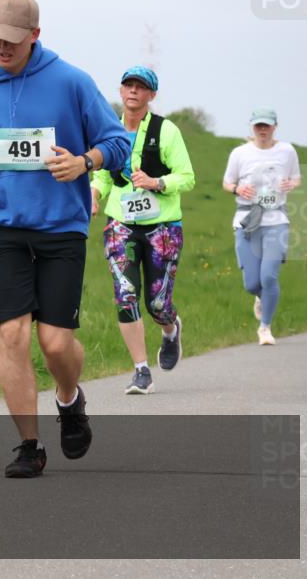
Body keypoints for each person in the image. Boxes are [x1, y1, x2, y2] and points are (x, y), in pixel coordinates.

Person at [0, 0, 131, 478]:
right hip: (1, 226)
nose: (2, 48)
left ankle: (69, 400)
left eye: (12, 40)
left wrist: (84, 161)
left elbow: (117, 143)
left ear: (35, 35)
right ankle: (29, 444)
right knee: (11, 334)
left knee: (54, 343)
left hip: (60, 228)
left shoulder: (71, 82)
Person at [90, 67, 195, 395]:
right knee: (125, 295)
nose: (133, 91)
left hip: (162, 227)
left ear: (152, 95)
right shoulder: (109, 130)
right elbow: (104, 176)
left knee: (158, 303)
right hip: (120, 225)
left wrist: (157, 182)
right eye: (128, 85)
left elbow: (187, 177)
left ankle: (170, 331)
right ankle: (140, 370)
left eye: (141, 87)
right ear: (121, 91)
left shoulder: (166, 131)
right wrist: (93, 195)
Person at [223, 108, 301, 345]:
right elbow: (227, 182)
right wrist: (238, 189)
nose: (263, 130)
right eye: (258, 126)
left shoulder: (287, 151)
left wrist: (291, 184)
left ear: (275, 126)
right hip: (247, 220)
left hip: (276, 220)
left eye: (267, 125)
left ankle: (265, 328)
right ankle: (260, 298)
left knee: (269, 277)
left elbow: (296, 177)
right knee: (252, 284)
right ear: (252, 127)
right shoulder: (239, 153)